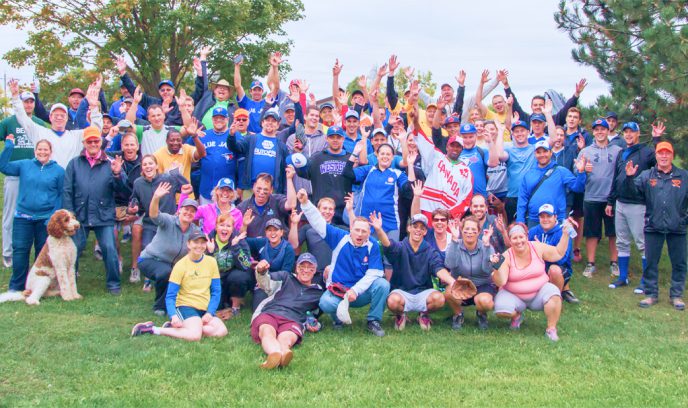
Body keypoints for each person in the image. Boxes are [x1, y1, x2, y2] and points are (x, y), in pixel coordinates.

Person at [298, 189, 389, 337]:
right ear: (350, 229)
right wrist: (305, 203)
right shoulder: (339, 236)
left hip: (360, 294)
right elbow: (318, 222)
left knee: (383, 285)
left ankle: (373, 320)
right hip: (339, 291)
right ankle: (337, 320)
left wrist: (355, 290)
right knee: (325, 303)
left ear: (369, 232)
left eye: (364, 232)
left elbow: (375, 273)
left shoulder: (373, 245)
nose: (359, 234)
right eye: (357, 230)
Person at [63, 126, 128, 295]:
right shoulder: (74, 163)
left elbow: (123, 192)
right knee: (74, 248)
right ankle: (70, 283)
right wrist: (69, 214)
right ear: (84, 143)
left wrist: (117, 174)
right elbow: (67, 190)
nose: (92, 144)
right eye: (89, 141)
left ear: (101, 142)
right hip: (79, 214)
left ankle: (113, 284)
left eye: (96, 141)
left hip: (103, 213)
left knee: (109, 247)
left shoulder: (112, 163)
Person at [623, 141, 688, 310]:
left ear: (672, 155)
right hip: (653, 226)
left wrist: (683, 219)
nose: (664, 156)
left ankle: (677, 295)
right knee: (651, 262)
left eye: (667, 153)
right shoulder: (646, 176)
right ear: (656, 155)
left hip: (677, 228)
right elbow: (632, 194)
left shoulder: (683, 176)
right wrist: (629, 178)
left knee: (679, 263)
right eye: (661, 153)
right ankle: (651, 294)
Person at [131, 231, 228, 341]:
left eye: (202, 243)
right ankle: (152, 329)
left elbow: (216, 291)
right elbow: (171, 295)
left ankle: (180, 328)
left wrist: (210, 312)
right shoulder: (180, 265)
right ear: (188, 244)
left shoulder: (211, 262)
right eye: (195, 242)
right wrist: (173, 315)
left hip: (204, 307)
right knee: (195, 336)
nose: (199, 246)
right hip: (185, 306)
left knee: (221, 331)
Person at [0, 136, 63, 294]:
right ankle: (16, 286)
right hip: (23, 217)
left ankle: (37, 287)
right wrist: (9, 146)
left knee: (42, 254)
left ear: (51, 152)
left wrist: (52, 217)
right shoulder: (24, 165)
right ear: (35, 151)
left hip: (45, 219)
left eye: (45, 149)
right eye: (39, 149)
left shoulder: (58, 171)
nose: (42, 152)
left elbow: (61, 195)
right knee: (20, 251)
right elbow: (3, 166)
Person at [493, 221, 575, 342]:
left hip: (539, 292)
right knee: (501, 310)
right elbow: (501, 282)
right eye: (514, 238)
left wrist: (565, 235)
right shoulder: (505, 256)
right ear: (510, 240)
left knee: (554, 296)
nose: (519, 241)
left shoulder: (537, 247)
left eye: (521, 237)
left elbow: (558, 253)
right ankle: (516, 316)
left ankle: (551, 329)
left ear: (526, 236)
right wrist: (496, 268)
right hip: (514, 295)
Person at [606, 121, 662, 290]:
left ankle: (646, 280)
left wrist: (657, 139)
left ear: (638, 134)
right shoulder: (622, 153)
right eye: (626, 132)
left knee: (642, 242)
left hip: (639, 204)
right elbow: (616, 178)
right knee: (622, 241)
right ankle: (623, 277)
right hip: (620, 202)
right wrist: (610, 201)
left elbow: (661, 161)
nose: (628, 135)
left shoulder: (646, 152)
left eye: (632, 132)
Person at [372, 213, 449, 331]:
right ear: (409, 228)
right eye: (415, 226)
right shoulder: (400, 246)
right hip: (401, 293)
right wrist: (379, 229)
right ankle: (401, 315)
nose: (418, 230)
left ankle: (423, 314)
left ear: (425, 232)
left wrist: (453, 282)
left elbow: (439, 269)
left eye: (422, 228)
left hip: (423, 293)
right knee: (393, 301)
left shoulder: (430, 251)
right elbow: (387, 244)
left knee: (439, 299)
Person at [251, 253, 324, 369]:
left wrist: (316, 325)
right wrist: (261, 272)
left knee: (287, 337)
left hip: (293, 320)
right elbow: (266, 282)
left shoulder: (318, 293)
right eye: (301, 267)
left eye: (309, 268)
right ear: (296, 268)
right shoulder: (285, 277)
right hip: (272, 312)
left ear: (315, 270)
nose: (305, 270)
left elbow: (313, 315)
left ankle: (284, 352)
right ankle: (274, 353)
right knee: (267, 331)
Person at [9, 79, 103, 168]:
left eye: (62, 115)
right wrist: (15, 97)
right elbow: (23, 119)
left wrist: (94, 107)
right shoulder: (40, 132)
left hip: (69, 182)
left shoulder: (76, 136)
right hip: (47, 181)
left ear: (67, 118)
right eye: (56, 115)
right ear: (50, 117)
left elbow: (96, 131)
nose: (59, 118)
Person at [138, 182, 202, 314]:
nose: (188, 213)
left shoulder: (195, 231)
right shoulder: (169, 221)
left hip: (173, 265)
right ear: (179, 210)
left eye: (192, 211)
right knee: (166, 273)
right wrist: (156, 197)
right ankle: (160, 307)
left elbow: (200, 246)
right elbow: (154, 214)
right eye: (186, 209)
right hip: (150, 259)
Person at [0, 90, 47, 267]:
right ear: (19, 103)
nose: (28, 105)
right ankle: (8, 252)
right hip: (14, 174)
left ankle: (37, 252)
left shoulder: (38, 123)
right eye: (25, 102)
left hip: (34, 175)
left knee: (35, 213)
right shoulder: (8, 122)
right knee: (11, 213)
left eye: (31, 102)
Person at [578, 118, 623, 278]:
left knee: (613, 232)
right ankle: (591, 264)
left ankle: (614, 262)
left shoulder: (617, 150)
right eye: (596, 129)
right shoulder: (585, 151)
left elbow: (621, 174)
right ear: (593, 132)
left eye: (602, 129)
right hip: (591, 197)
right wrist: (582, 170)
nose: (599, 132)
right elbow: (578, 171)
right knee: (592, 232)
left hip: (611, 198)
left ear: (608, 130)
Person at [517, 140, 587, 227]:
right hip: (534, 220)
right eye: (539, 152)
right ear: (535, 154)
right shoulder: (528, 174)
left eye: (545, 151)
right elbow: (522, 198)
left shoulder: (561, 171)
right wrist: (520, 219)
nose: (542, 155)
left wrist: (581, 172)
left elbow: (578, 188)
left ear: (550, 153)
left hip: (557, 219)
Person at [444, 216, 497, 330]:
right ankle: (458, 314)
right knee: (448, 293)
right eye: (466, 229)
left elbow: (488, 270)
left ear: (479, 232)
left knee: (486, 302)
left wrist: (487, 246)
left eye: (473, 230)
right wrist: (454, 239)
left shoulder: (487, 246)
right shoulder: (454, 244)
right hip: (461, 285)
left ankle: (481, 314)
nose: (469, 233)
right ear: (461, 231)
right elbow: (450, 264)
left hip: (482, 285)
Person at [294, 126, 353, 226]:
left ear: (343, 139)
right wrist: (298, 154)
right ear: (326, 138)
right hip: (322, 209)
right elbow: (302, 172)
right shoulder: (317, 157)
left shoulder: (350, 158)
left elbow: (357, 180)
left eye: (338, 137)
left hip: (343, 209)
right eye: (332, 137)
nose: (335, 140)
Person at [227, 110, 290, 193]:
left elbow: (287, 170)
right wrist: (231, 135)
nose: (270, 123)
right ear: (262, 123)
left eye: (273, 121)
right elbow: (234, 148)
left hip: (272, 190)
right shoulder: (251, 139)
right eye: (267, 120)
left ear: (278, 125)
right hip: (250, 189)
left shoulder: (282, 146)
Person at [528, 204, 579, 304]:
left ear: (555, 217)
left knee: (554, 270)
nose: (545, 219)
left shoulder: (563, 232)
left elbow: (562, 259)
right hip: (538, 266)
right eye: (542, 216)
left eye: (549, 216)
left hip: (559, 267)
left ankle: (556, 299)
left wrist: (542, 249)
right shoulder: (533, 231)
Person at [206, 214, 252, 319]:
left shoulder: (238, 240)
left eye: (228, 226)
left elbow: (246, 265)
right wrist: (210, 253)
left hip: (232, 275)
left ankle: (235, 307)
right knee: (217, 306)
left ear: (232, 229)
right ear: (216, 227)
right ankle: (225, 301)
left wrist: (235, 247)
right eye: (222, 225)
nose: (225, 228)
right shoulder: (208, 241)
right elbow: (201, 267)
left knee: (239, 277)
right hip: (215, 277)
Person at [116, 56, 183, 126]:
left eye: (168, 89)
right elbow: (134, 91)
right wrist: (123, 73)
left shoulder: (180, 104)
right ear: (159, 92)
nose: (165, 92)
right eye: (162, 90)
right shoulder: (153, 102)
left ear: (173, 91)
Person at [246, 218, 296, 310]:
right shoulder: (262, 242)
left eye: (276, 230)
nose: (273, 233)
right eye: (270, 230)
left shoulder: (288, 249)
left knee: (275, 308)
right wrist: (248, 261)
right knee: (257, 309)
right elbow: (243, 241)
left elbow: (286, 273)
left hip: (279, 285)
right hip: (262, 284)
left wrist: (266, 275)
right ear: (266, 232)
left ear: (281, 232)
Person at [195, 107, 238, 204]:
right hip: (206, 189)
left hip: (227, 191)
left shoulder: (234, 135)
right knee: (206, 218)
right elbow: (187, 150)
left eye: (222, 118)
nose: (218, 120)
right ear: (212, 119)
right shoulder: (203, 135)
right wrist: (193, 135)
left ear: (227, 119)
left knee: (226, 219)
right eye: (216, 118)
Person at [234, 52, 282, 133]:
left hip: (264, 136)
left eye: (259, 90)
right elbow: (237, 85)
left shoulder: (267, 101)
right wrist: (237, 66)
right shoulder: (246, 102)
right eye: (254, 90)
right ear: (250, 91)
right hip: (249, 137)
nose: (257, 92)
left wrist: (275, 67)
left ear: (262, 91)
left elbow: (276, 87)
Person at [236, 172, 295, 238]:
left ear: (271, 190)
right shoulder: (242, 207)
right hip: (252, 245)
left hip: (275, 244)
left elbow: (291, 204)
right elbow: (237, 236)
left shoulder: (277, 201)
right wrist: (244, 225)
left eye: (265, 190)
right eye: (259, 189)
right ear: (254, 186)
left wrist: (289, 179)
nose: (261, 192)